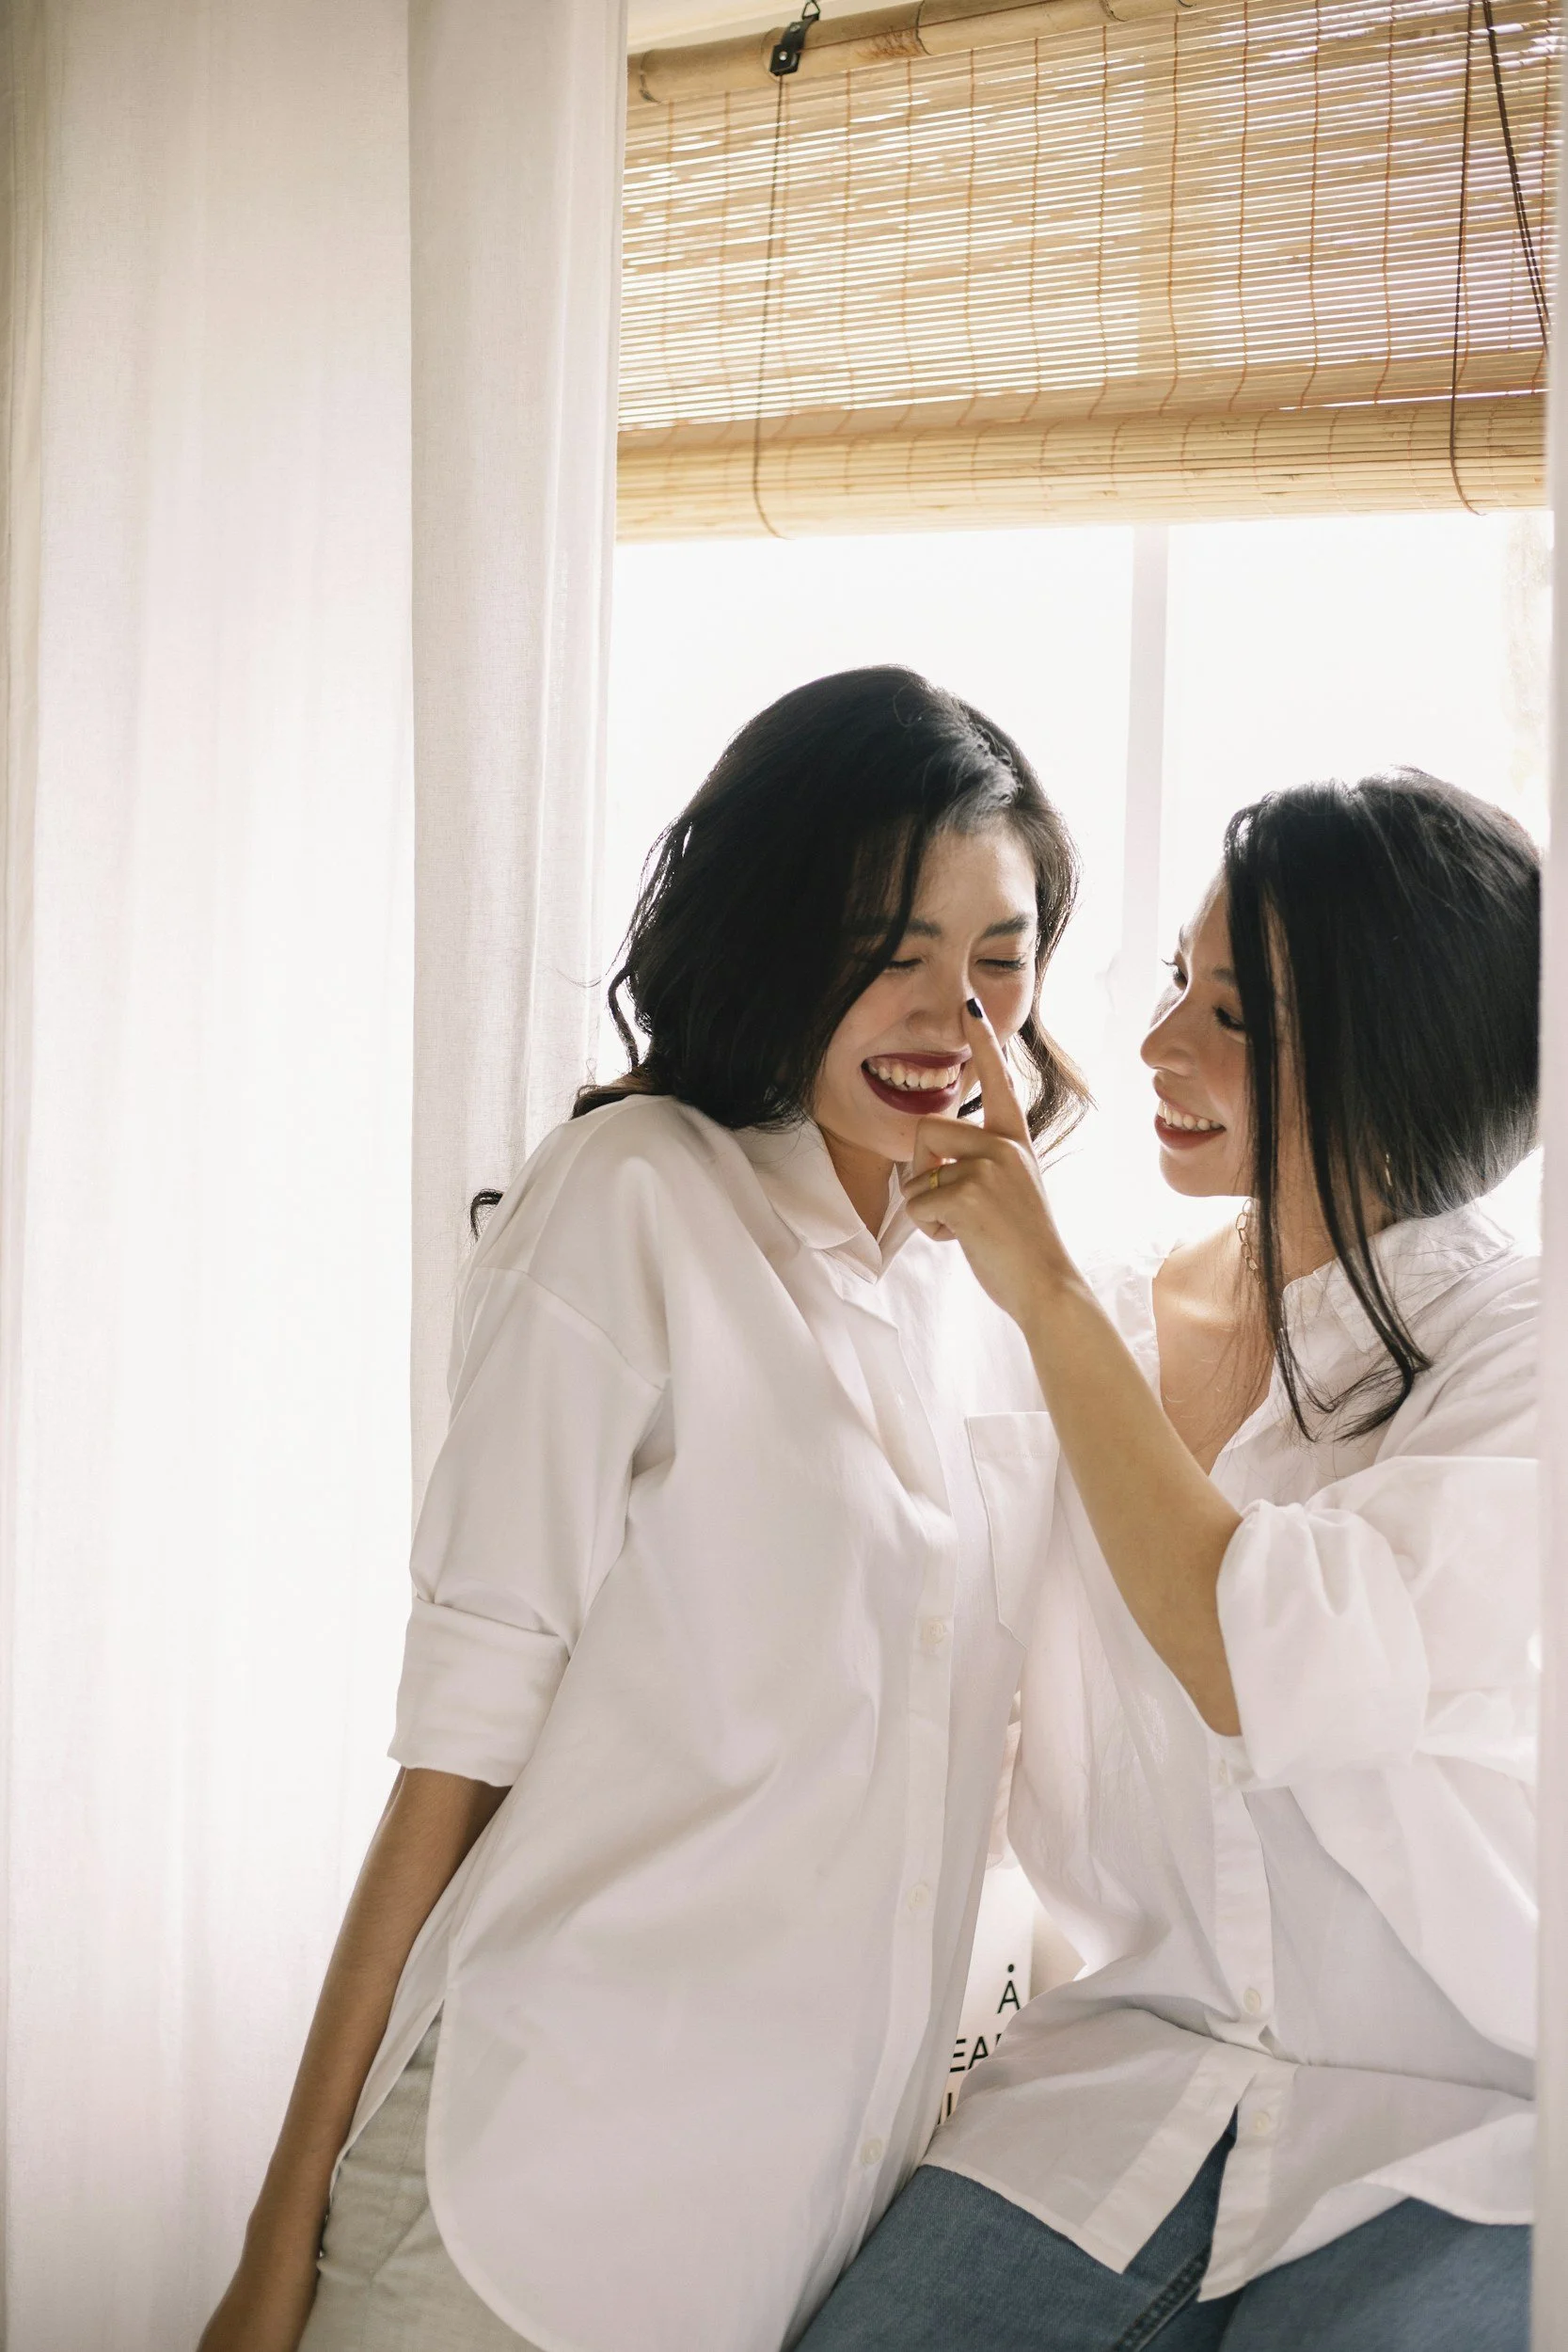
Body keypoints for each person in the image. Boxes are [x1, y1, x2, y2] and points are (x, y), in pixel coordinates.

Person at [198, 667, 1087, 2352]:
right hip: (526, 2219)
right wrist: (276, 2243)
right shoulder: (632, 1202)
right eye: (886, 949)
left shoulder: (994, 1295)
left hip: (799, 2249)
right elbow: (456, 1760)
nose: (944, 1018)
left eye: (995, 961)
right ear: (773, 934)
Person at [797, 771, 1540, 2351]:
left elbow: (1263, 1660)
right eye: (1174, 986)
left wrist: (1042, 1299)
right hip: (1113, 2089)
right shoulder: (1109, 1315)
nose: (1154, 1051)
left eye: (1237, 1016)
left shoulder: (1519, 1358)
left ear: (1402, 1053)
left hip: (1462, 2133)